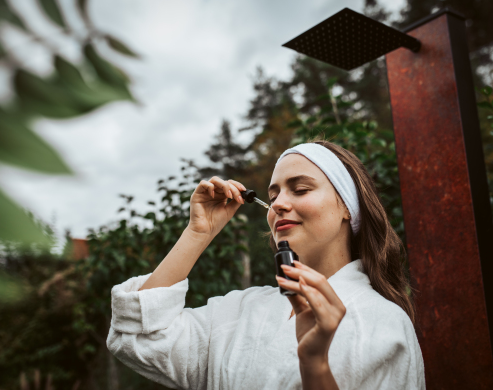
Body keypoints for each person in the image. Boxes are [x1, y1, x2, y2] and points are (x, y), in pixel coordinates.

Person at [107, 140, 425, 389]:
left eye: (300, 189)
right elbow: (139, 335)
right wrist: (197, 234)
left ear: (347, 207)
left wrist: (315, 366)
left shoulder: (384, 324)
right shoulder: (240, 311)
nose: (279, 205)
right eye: (273, 198)